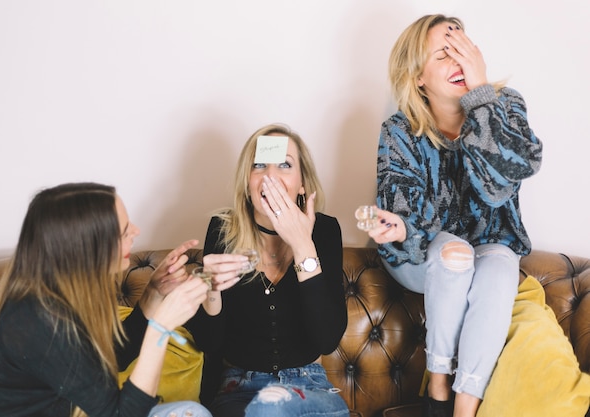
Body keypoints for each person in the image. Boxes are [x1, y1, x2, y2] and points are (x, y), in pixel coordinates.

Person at [367, 14, 543, 417]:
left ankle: (465, 405)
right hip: (419, 252)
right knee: (454, 252)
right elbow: (407, 216)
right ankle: (439, 386)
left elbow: (496, 187)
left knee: (499, 267)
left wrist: (481, 96)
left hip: (490, 249)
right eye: (445, 54)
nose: (460, 62)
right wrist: (400, 228)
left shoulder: (505, 105)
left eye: (464, 50)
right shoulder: (399, 130)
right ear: (417, 78)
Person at [0, 182, 213, 417]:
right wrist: (160, 328)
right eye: (125, 230)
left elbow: (107, 360)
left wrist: (153, 295)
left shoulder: (58, 297)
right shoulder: (37, 319)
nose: (136, 231)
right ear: (88, 249)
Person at [186, 123, 349, 417]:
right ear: (247, 182)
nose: (270, 176)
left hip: (309, 389)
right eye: (259, 165)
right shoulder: (223, 230)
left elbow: (327, 340)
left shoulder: (324, 231)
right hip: (240, 390)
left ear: (302, 184)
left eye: (284, 165)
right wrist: (211, 289)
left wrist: (302, 245)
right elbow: (209, 342)